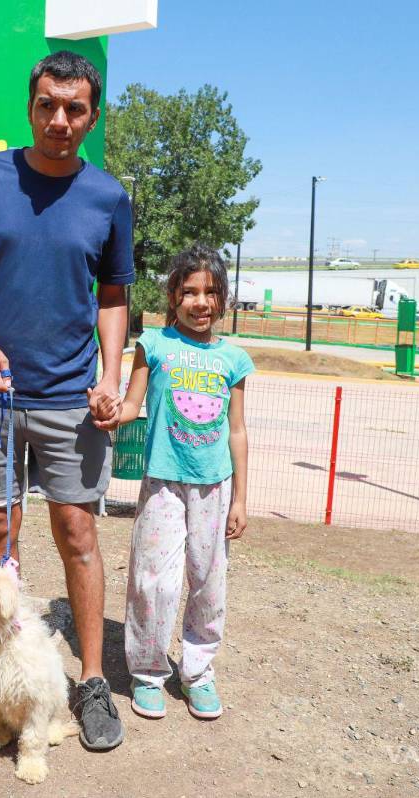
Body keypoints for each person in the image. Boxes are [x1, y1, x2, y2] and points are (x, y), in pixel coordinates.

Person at [0, 50, 133, 751]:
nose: (59, 120)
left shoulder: (108, 198)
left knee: (78, 535)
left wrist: (111, 377)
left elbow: (114, 297)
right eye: (48, 104)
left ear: (92, 114)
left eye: (74, 108)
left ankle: (92, 682)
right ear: (30, 106)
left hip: (71, 397)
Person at [112, 244, 253, 721]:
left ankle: (197, 672)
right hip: (162, 484)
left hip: (214, 489)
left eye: (211, 292)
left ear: (223, 299)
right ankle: (149, 672)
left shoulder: (235, 359)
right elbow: (132, 406)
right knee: (153, 581)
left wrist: (241, 498)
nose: (201, 302)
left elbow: (237, 429)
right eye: (190, 291)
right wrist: (112, 411)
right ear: (173, 296)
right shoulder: (153, 345)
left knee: (208, 583)